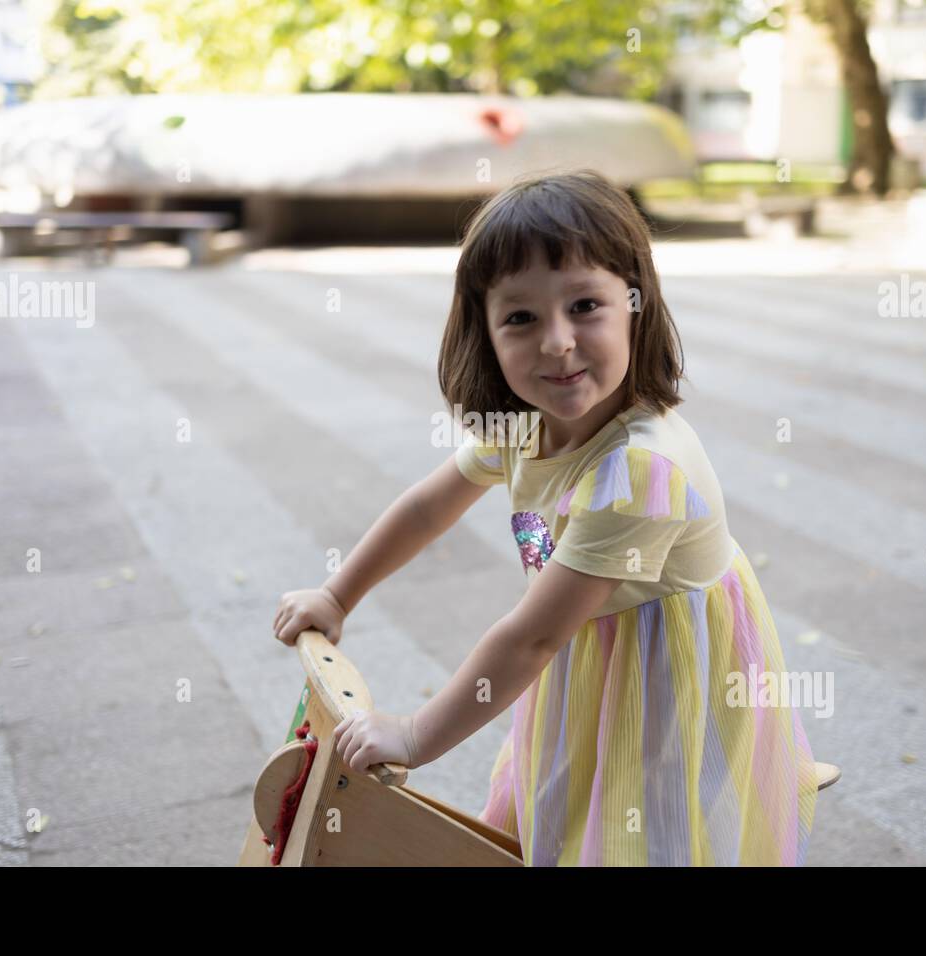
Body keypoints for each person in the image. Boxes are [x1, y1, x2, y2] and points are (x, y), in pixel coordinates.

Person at [272, 168, 818, 866]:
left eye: (584, 305)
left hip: (666, 669)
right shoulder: (525, 425)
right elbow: (426, 507)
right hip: (591, 643)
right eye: (521, 318)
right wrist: (337, 593)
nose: (557, 342)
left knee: (643, 830)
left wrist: (414, 735)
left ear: (635, 305)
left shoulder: (640, 473)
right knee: (563, 804)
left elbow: (532, 639)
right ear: (487, 334)